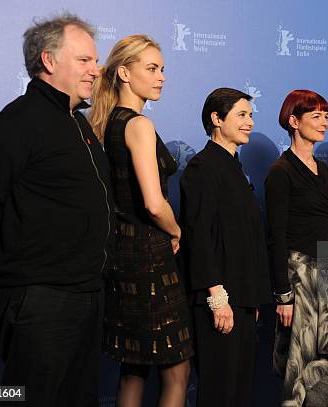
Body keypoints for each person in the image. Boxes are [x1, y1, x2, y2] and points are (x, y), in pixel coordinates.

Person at [0, 13, 112, 406]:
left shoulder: (79, 125)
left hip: (86, 298)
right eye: (84, 61)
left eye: (94, 61)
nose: (95, 71)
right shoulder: (17, 122)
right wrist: (13, 284)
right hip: (40, 302)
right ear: (48, 60)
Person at [89, 35, 193, 407]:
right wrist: (176, 229)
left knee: (134, 368)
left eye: (162, 69)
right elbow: (153, 203)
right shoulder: (138, 125)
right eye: (151, 68)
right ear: (124, 72)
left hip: (123, 255)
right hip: (150, 258)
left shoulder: (107, 124)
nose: (161, 76)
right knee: (177, 371)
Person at [266, 90, 328, 406]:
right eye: (315, 116)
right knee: (309, 362)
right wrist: (284, 296)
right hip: (300, 280)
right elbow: (276, 237)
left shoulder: (323, 171)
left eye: (326, 115)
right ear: (294, 121)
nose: (324, 122)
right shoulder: (280, 173)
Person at [179, 88, 271, 407]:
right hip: (218, 300)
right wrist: (218, 298)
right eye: (241, 115)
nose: (250, 122)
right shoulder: (202, 167)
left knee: (239, 392)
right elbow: (199, 236)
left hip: (241, 299)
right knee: (220, 391)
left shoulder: (233, 167)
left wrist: (252, 297)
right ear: (216, 119)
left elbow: (247, 239)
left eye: (250, 115)